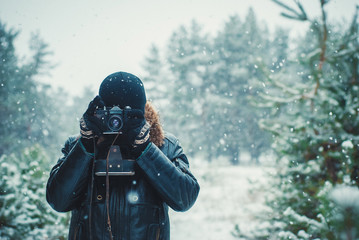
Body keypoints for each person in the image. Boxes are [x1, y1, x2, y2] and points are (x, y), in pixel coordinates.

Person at [46, 71, 200, 240]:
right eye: (112, 113)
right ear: (100, 111)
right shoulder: (79, 145)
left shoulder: (164, 145)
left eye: (126, 114)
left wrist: (145, 149)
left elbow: (185, 199)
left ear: (141, 112)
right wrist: (87, 144)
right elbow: (57, 200)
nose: (117, 121)